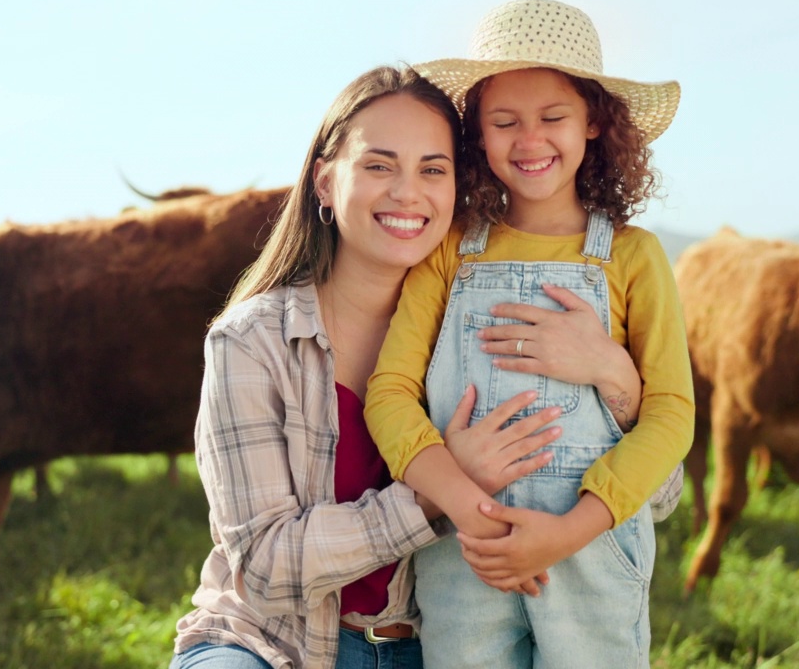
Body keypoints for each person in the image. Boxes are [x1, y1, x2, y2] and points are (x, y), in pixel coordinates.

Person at [170, 65, 645, 669]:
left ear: (458, 186)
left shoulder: (484, 317)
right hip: (271, 644)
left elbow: (656, 493)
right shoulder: (253, 341)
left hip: (436, 648)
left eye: (433, 169)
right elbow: (265, 567)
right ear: (324, 180)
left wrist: (617, 379)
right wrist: (437, 492)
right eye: (378, 165)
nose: (407, 192)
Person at [363, 0, 694, 668]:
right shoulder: (449, 250)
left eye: (554, 118)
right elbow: (390, 393)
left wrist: (569, 530)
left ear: (595, 121)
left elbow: (671, 415)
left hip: (592, 549)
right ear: (476, 135)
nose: (530, 140)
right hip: (465, 550)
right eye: (504, 121)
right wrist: (464, 505)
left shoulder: (633, 257)